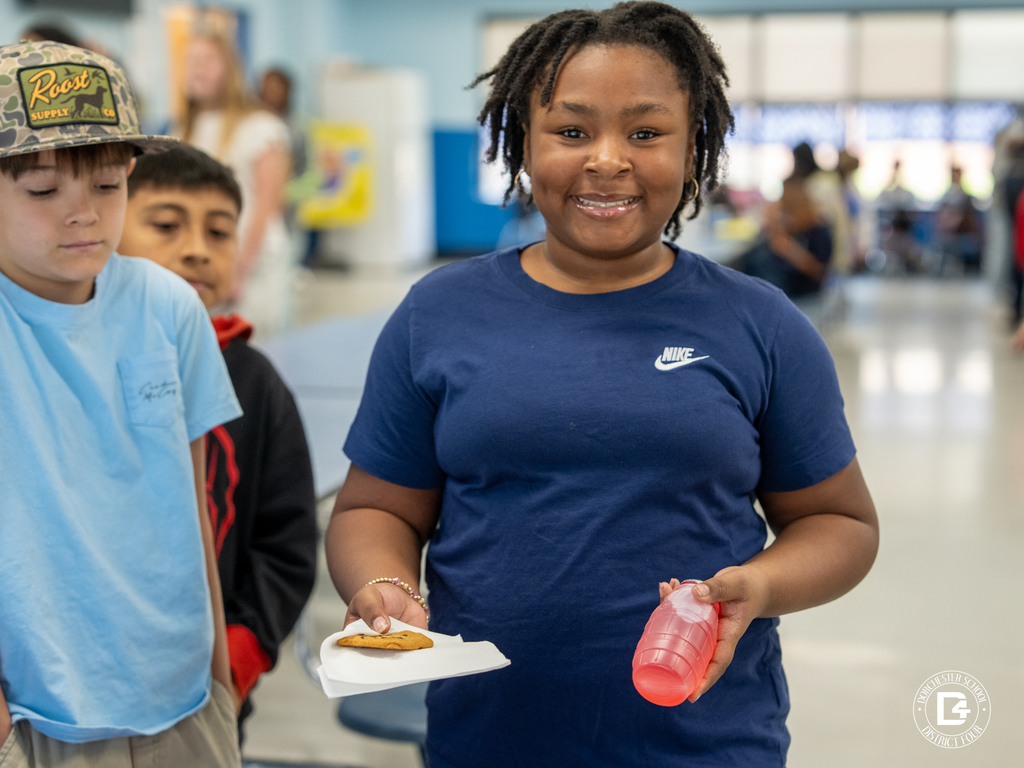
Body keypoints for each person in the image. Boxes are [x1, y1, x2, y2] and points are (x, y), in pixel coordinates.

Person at [324, 4, 879, 767]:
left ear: (696, 147)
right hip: (489, 737)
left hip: (706, 740)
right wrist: (384, 583)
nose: (608, 160)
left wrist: (760, 585)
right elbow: (375, 505)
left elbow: (840, 524)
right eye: (573, 131)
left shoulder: (760, 324)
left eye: (646, 133)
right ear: (524, 142)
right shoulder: (438, 314)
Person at [0, 41, 242, 766]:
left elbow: (194, 498)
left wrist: (220, 674)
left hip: (181, 689)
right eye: (43, 192)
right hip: (35, 704)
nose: (85, 216)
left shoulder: (168, 306)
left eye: (107, 186)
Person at [117, 144, 318, 739]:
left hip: (208, 702)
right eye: (165, 225)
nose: (197, 248)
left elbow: (285, 543)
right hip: (70, 697)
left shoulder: (255, 384)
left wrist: (235, 657)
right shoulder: (69, 366)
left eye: (220, 231)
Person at [178, 32, 292, 337]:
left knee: (252, 356)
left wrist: (238, 270)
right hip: (203, 263)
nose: (196, 69)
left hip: (253, 266)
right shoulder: (183, 129)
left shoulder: (261, 127)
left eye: (206, 60)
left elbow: (268, 205)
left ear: (229, 67)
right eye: (190, 61)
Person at [740, 178, 833, 298]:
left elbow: (821, 273)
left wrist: (790, 251)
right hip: (785, 282)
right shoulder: (795, 228)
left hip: (804, 288)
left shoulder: (818, 230)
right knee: (754, 261)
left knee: (758, 265)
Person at [935, 166, 983, 275]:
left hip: (963, 234)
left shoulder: (967, 197)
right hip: (947, 235)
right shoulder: (946, 197)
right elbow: (940, 220)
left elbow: (972, 222)